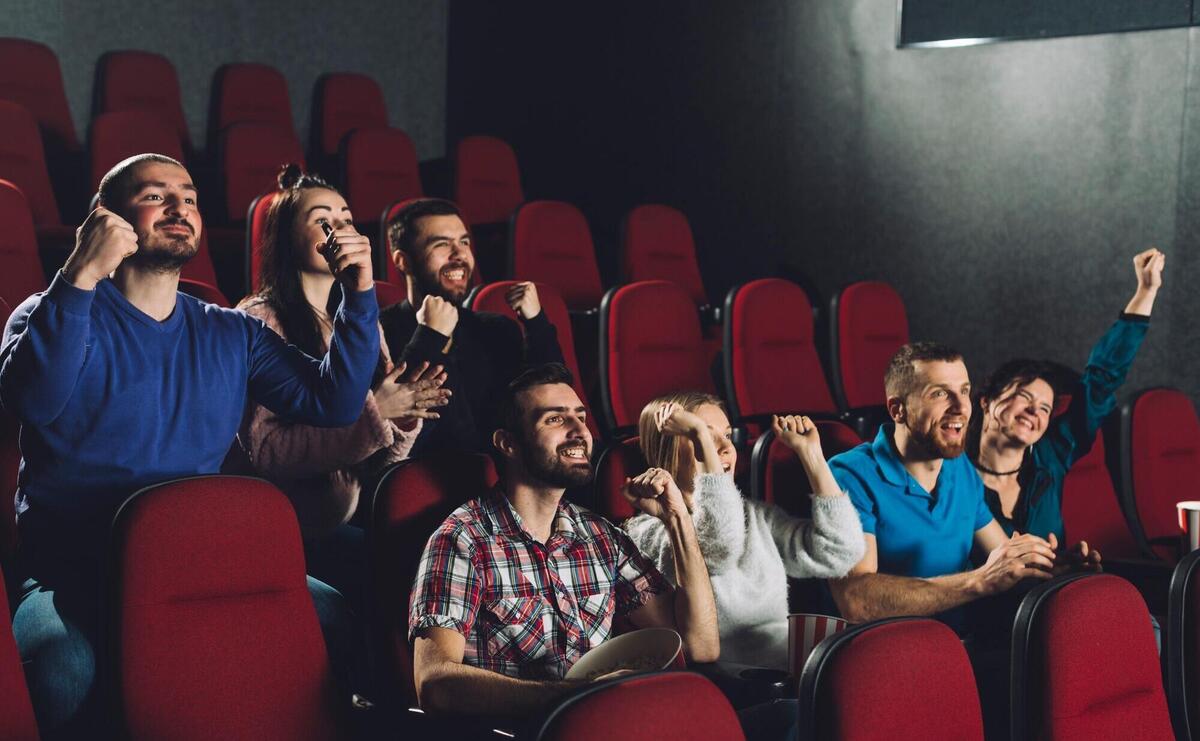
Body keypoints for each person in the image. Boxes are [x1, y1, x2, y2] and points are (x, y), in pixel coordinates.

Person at [0, 153, 381, 738]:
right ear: (107, 217)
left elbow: (333, 402)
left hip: (198, 557)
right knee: (62, 672)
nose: (180, 208)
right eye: (157, 195)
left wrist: (358, 294)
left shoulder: (230, 330)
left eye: (191, 198)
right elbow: (35, 400)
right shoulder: (48, 310)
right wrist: (80, 273)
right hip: (73, 566)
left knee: (333, 619)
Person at [408, 364, 719, 722]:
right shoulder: (463, 541)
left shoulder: (601, 537)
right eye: (555, 420)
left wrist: (678, 520)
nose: (580, 431)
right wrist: (581, 697)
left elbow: (700, 646)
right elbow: (434, 683)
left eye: (581, 417)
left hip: (613, 723)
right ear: (508, 443)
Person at [237, 165, 450, 604]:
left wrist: (406, 415)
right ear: (286, 237)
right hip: (287, 531)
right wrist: (379, 410)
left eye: (346, 218)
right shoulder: (261, 318)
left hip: (346, 515)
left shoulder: (357, 318)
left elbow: (384, 451)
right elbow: (267, 451)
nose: (339, 229)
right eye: (321, 219)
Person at [623, 392, 864, 670]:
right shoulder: (649, 531)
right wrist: (704, 441)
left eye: (727, 435)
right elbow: (718, 546)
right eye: (700, 434)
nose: (723, 447)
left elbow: (840, 552)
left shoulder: (754, 514)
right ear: (667, 450)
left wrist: (811, 455)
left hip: (789, 664)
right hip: (728, 678)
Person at [969, 249, 1166, 541]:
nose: (1035, 411)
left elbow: (1101, 381)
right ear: (986, 400)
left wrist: (1146, 291)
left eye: (1045, 408)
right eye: (1024, 396)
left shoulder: (1051, 457)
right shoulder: (951, 472)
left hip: (1049, 588)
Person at [380, 198, 563, 454]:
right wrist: (430, 336)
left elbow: (552, 399)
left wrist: (536, 323)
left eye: (464, 242)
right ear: (403, 261)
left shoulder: (497, 329)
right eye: (442, 244)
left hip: (506, 476)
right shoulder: (379, 333)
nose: (459, 255)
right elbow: (395, 428)